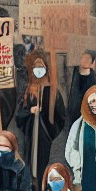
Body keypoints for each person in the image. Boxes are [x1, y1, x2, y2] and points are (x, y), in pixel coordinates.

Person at [17, 49, 71, 180]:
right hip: (30, 136)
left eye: (41, 67)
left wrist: (50, 128)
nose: (39, 70)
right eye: (36, 67)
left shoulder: (52, 91)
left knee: (43, 166)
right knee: (29, 164)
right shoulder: (29, 90)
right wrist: (30, 112)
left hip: (45, 136)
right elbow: (20, 114)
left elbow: (60, 115)